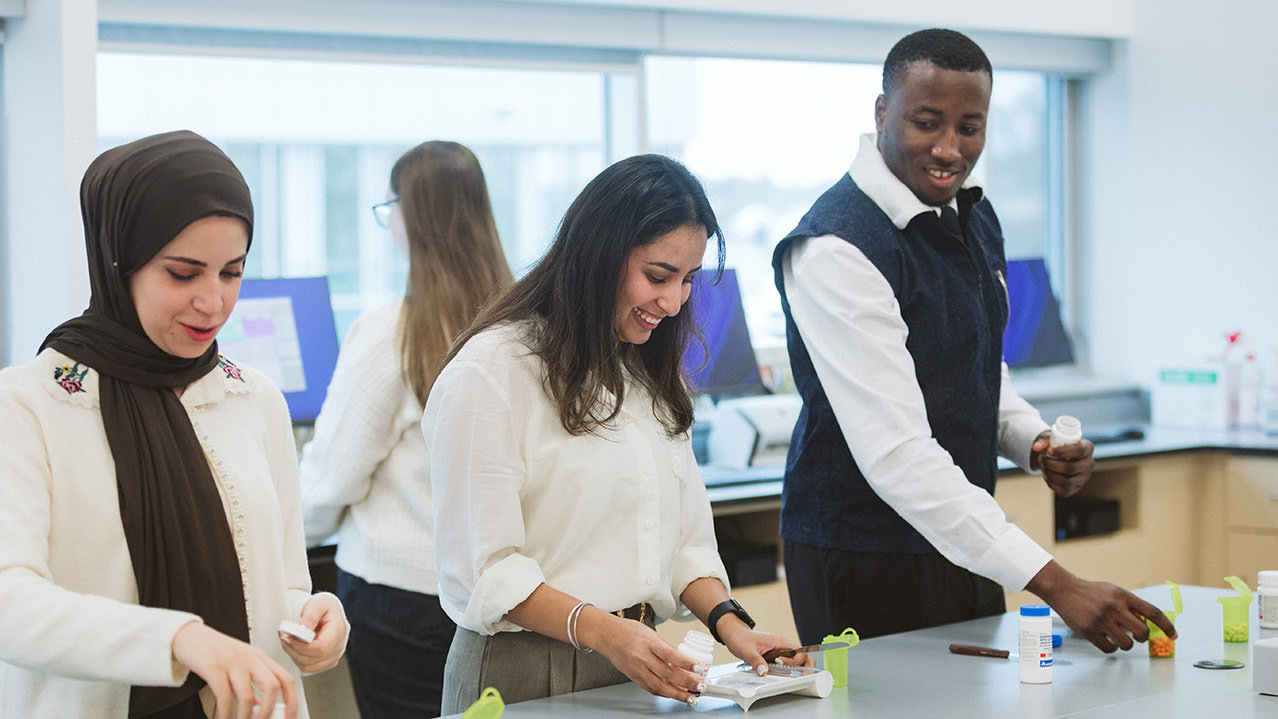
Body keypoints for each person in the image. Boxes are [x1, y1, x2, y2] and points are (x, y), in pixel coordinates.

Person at [772, 29, 1176, 653]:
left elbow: (980, 362)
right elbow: (898, 453)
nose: (949, 149)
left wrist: (1033, 441)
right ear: (882, 113)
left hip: (964, 535)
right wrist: (1058, 583)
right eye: (926, 122)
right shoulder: (837, 248)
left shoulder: (972, 215)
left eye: (970, 127)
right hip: (862, 550)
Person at [424, 154, 806, 715]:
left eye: (687, 281)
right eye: (657, 276)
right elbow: (485, 572)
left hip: (634, 661)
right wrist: (604, 633)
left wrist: (734, 628)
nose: (674, 303)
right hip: (528, 667)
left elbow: (681, 544)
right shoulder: (493, 371)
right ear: (597, 255)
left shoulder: (646, 372)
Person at [0, 130, 347, 719]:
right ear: (118, 262)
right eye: (183, 274)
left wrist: (319, 617)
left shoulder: (253, 398)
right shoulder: (29, 405)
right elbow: (10, 602)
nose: (213, 303)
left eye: (231, 273)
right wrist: (177, 639)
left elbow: (284, 585)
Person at [299, 141, 513, 719]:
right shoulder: (525, 324)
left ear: (410, 216)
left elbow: (328, 482)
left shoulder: (393, 331)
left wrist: (280, 536)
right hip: (501, 601)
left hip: (399, 604)